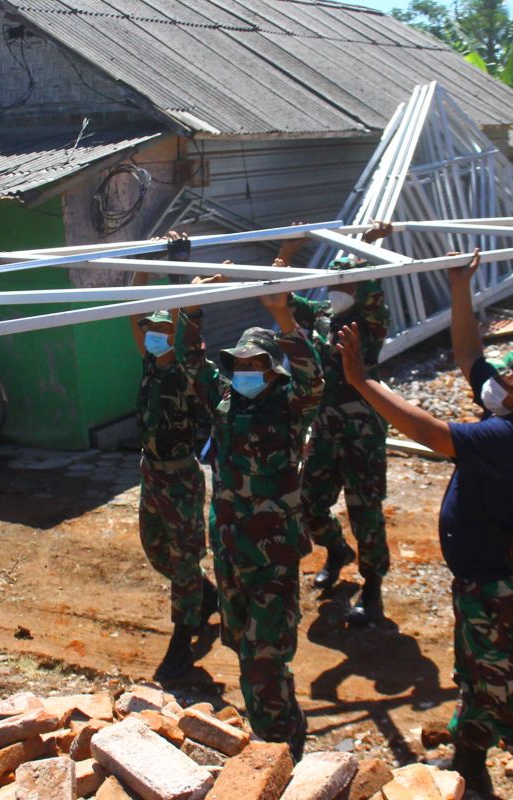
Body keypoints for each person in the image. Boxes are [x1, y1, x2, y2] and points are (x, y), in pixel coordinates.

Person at [335, 249, 513, 800]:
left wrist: (363, 382)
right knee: (477, 672)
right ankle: (469, 757)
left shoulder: (508, 437)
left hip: (501, 588)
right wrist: (459, 288)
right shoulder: (507, 410)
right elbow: (469, 352)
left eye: (506, 377)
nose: (495, 379)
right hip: (482, 582)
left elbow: (431, 434)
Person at [178, 261, 323, 760]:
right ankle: (280, 727)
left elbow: (313, 379)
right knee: (242, 646)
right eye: (237, 365)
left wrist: (285, 320)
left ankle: (282, 747)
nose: (243, 374)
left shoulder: (289, 403)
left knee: (265, 655)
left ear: (272, 367)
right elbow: (190, 363)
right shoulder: (224, 401)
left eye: (253, 366)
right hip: (230, 545)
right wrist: (192, 310)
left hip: (272, 551)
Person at [279, 222, 393, 625]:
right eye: (331, 283)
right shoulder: (326, 315)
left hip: (362, 432)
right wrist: (289, 249)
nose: (333, 291)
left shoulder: (371, 323)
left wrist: (365, 248)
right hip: (326, 428)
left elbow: (370, 284)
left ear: (360, 290)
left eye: (343, 285)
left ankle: (373, 587)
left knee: (366, 512)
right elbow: (283, 298)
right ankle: (336, 549)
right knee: (309, 502)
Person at [128, 231, 217, 682]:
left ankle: (182, 642)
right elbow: (131, 307)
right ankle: (205, 595)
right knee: (156, 549)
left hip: (181, 474)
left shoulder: (184, 367)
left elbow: (181, 317)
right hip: (151, 472)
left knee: (183, 558)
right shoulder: (148, 360)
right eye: (152, 330)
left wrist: (178, 263)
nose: (154, 335)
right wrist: (146, 256)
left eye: (163, 330)